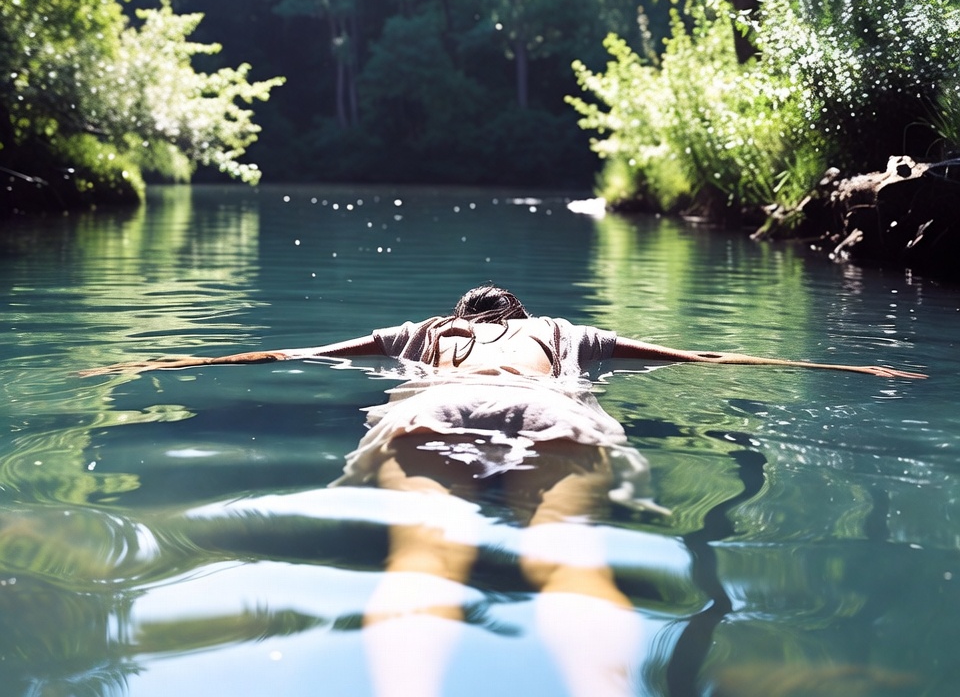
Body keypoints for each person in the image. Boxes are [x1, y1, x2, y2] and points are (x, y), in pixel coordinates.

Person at [82, 285, 925, 697]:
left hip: (434, 410)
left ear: (464, 317)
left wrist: (158, 363)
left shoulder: (421, 334)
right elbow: (698, 361)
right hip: (553, 411)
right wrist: (843, 362)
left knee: (423, 559)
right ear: (520, 314)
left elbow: (293, 356)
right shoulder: (563, 333)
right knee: (569, 562)